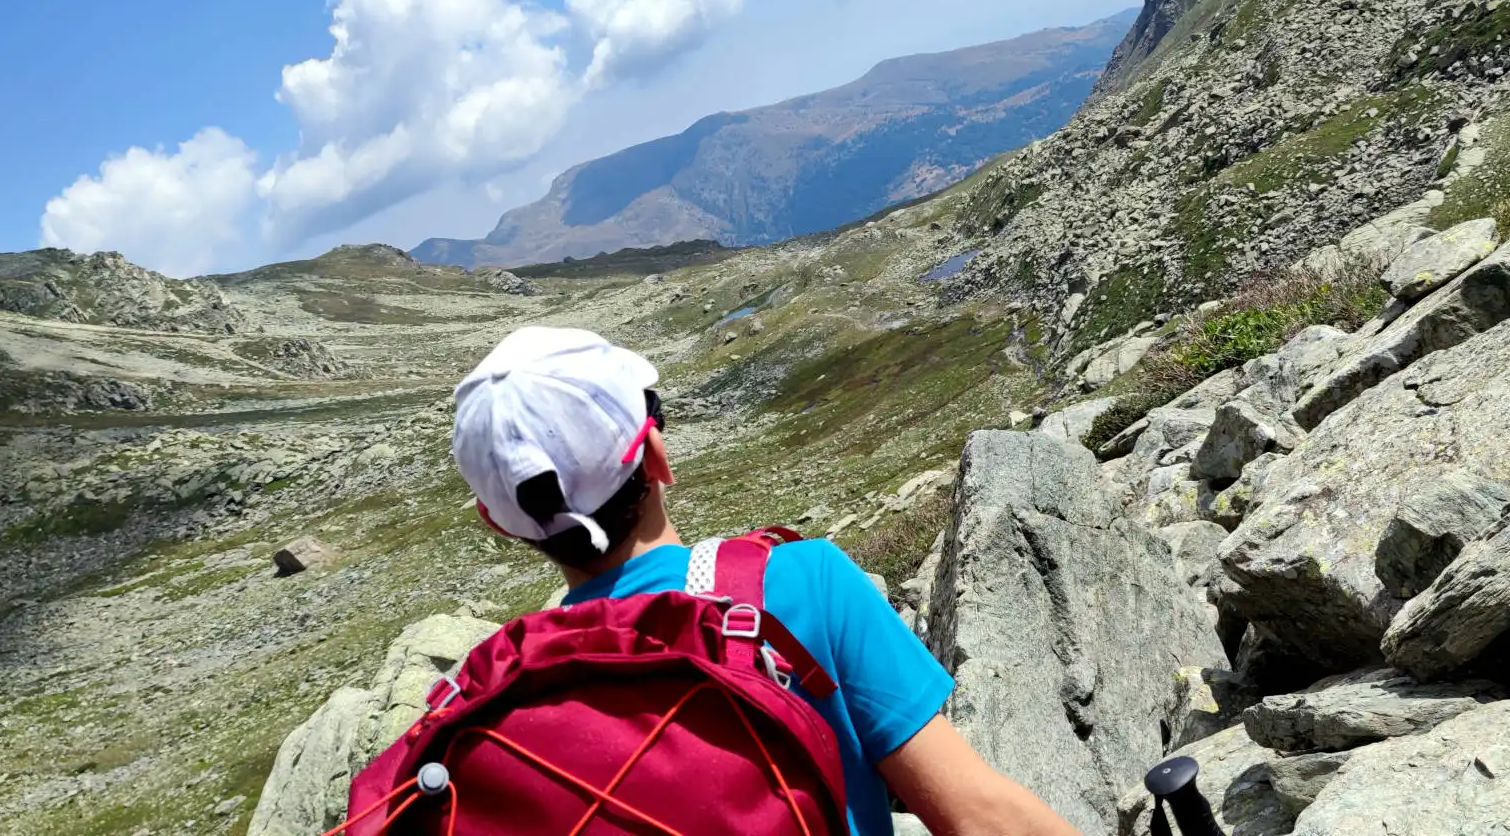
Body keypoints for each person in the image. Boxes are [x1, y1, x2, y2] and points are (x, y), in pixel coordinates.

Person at [451, 326, 1080, 836]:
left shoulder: (503, 699)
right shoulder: (800, 583)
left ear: (500, 524)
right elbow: (979, 817)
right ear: (656, 454)